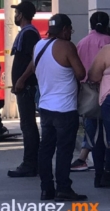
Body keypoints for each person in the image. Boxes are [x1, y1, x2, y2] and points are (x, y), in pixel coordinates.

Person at [32, 14, 87, 201]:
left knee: (45, 149)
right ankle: (63, 188)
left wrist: (22, 81)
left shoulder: (39, 46)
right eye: (70, 29)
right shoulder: (66, 46)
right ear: (64, 29)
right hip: (65, 109)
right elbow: (81, 73)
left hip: (46, 107)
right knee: (64, 150)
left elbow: (32, 68)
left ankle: (46, 189)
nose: (71, 33)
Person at [72, 12, 110, 173]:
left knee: (92, 132)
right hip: (104, 91)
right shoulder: (107, 42)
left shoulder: (82, 42)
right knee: (106, 133)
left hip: (89, 93)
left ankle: (94, 166)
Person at [7, 1, 41, 178]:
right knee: (27, 125)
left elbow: (33, 60)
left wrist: (21, 80)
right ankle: (32, 163)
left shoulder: (29, 35)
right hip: (24, 86)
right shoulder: (26, 34)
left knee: (28, 126)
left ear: (22, 15)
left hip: (26, 87)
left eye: (17, 12)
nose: (15, 15)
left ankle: (30, 164)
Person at [87, 29, 110, 187]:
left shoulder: (107, 51)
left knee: (103, 137)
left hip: (108, 99)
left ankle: (103, 175)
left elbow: (94, 75)